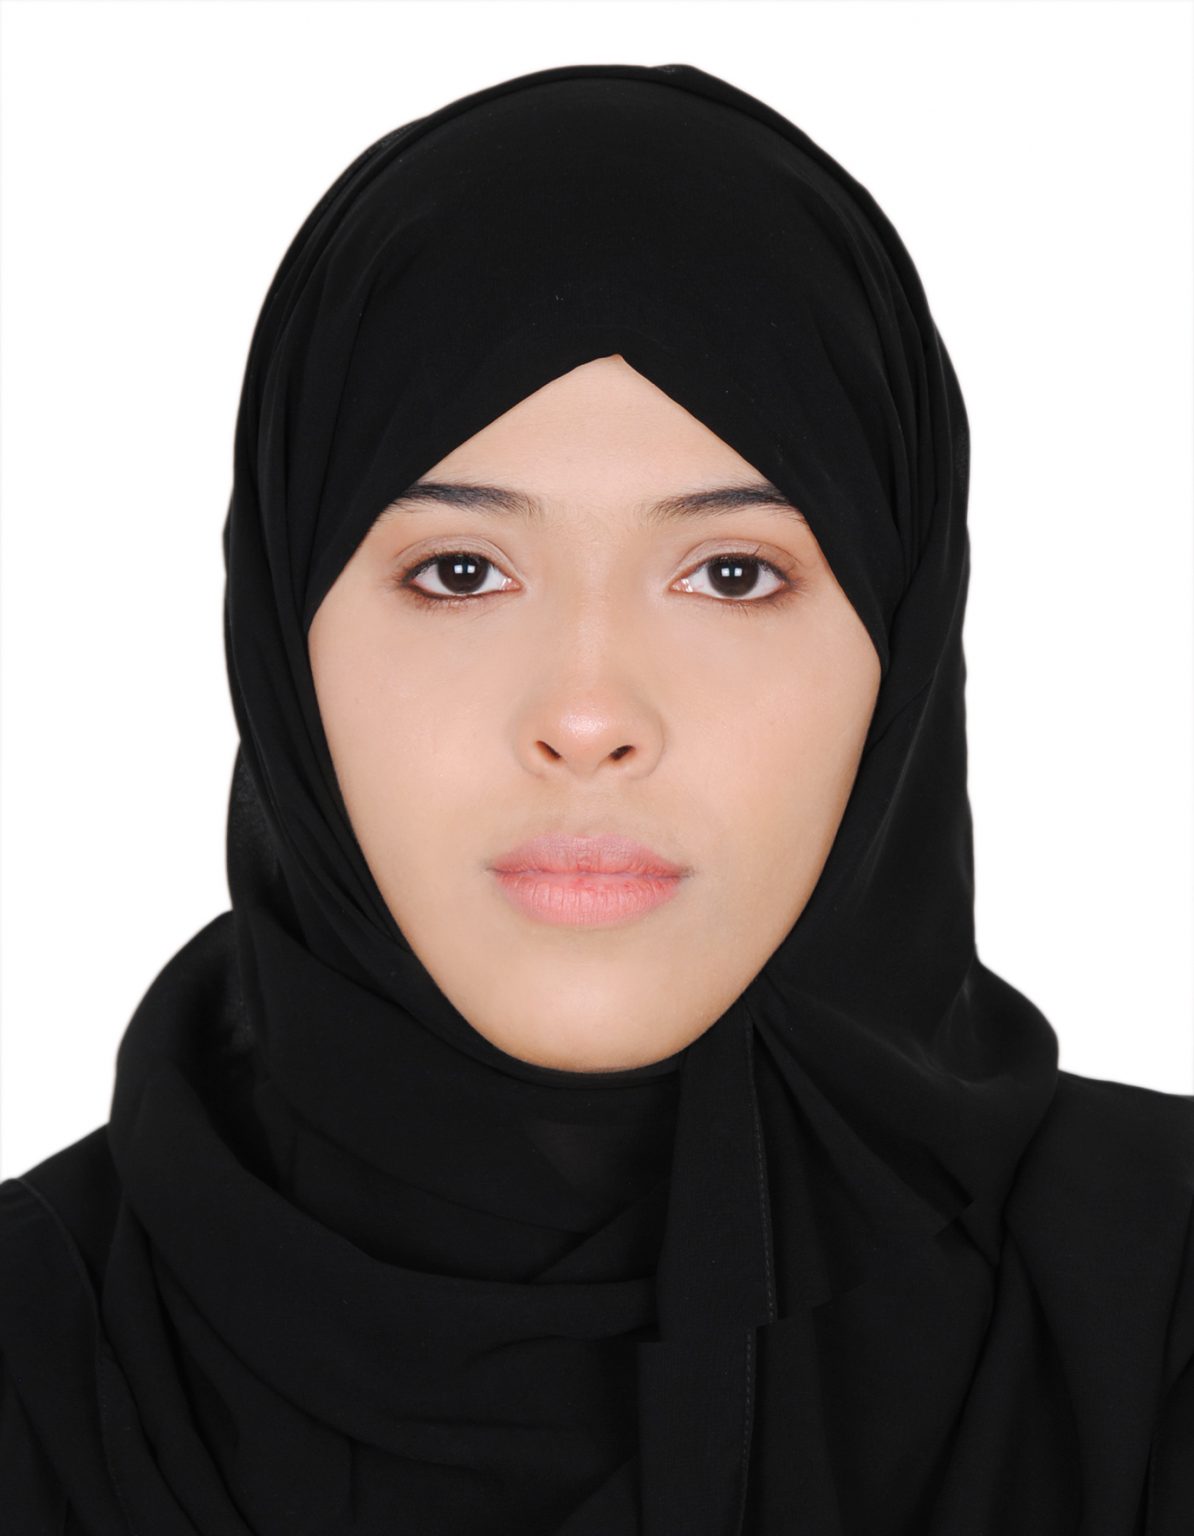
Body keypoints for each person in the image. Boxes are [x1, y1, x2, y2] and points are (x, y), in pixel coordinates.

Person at [1, 60, 1190, 1536]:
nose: (585, 717)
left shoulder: (1158, 1322)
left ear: (903, 639)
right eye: (459, 572)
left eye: (731, 574)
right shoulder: (35, 1368)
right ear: (280, 639)